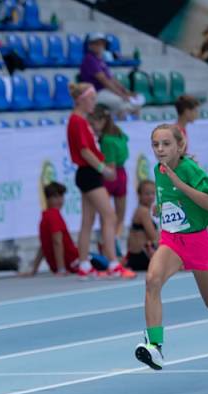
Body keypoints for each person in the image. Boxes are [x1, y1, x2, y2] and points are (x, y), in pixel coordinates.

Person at [135, 124, 208, 370]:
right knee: (152, 280)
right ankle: (155, 346)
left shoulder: (190, 170)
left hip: (197, 241)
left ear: (180, 146)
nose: (160, 149)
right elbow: (169, 196)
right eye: (156, 145)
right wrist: (161, 207)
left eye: (166, 144)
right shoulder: (158, 169)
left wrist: (181, 185)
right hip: (172, 240)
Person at [66, 82, 134, 279]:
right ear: (82, 100)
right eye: (92, 99)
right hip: (89, 174)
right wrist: (103, 169)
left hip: (87, 173)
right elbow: (85, 151)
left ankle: (85, 264)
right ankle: (113, 262)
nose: (94, 103)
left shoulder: (80, 120)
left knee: (88, 221)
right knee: (110, 216)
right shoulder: (77, 121)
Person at [90, 104, 129, 243]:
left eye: (93, 123)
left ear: (103, 121)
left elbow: (110, 165)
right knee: (120, 215)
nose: (92, 127)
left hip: (110, 175)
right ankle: (116, 238)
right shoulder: (120, 134)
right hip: (122, 174)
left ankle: (108, 242)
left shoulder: (106, 140)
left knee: (106, 216)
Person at [26, 182, 80, 276]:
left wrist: (33, 270)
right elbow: (57, 242)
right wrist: (61, 269)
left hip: (68, 263)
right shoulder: (54, 215)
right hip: (74, 262)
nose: (60, 200)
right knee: (104, 262)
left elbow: (44, 246)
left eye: (61, 197)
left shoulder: (45, 216)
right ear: (47, 199)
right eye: (55, 197)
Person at [125, 180, 158, 272]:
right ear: (139, 195)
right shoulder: (143, 211)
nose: (151, 196)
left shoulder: (140, 210)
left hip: (135, 256)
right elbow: (153, 237)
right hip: (140, 257)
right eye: (147, 194)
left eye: (153, 193)